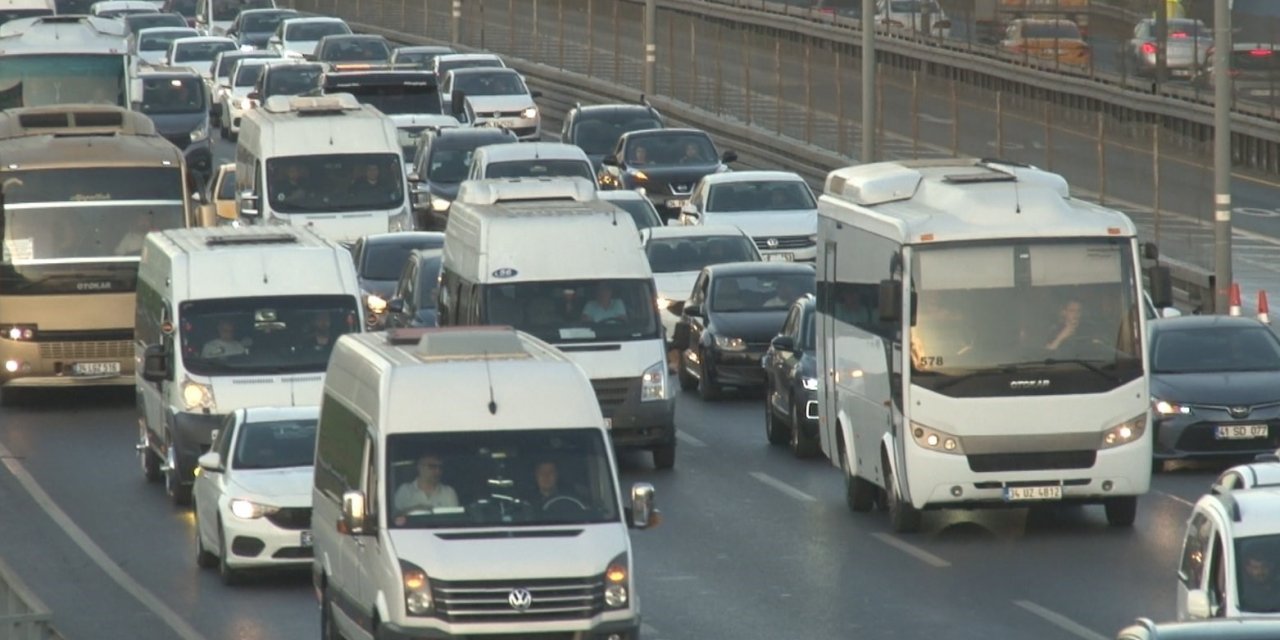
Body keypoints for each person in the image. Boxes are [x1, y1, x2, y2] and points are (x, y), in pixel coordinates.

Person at [392, 453, 459, 520]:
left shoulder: (448, 492)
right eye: (432, 467)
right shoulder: (405, 490)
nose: (437, 471)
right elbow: (393, 518)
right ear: (420, 467)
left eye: (440, 467)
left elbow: (454, 519)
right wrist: (415, 509)